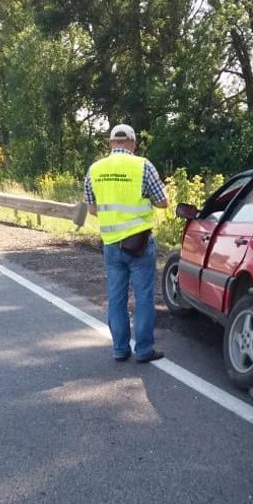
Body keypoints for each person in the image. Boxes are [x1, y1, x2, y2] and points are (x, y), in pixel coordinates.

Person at [84, 123, 168, 363]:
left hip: (111, 244)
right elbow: (163, 202)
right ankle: (144, 350)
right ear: (133, 143)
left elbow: (92, 209)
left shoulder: (95, 169)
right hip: (139, 244)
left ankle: (120, 349)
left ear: (111, 143)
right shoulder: (143, 166)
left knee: (116, 299)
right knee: (143, 297)